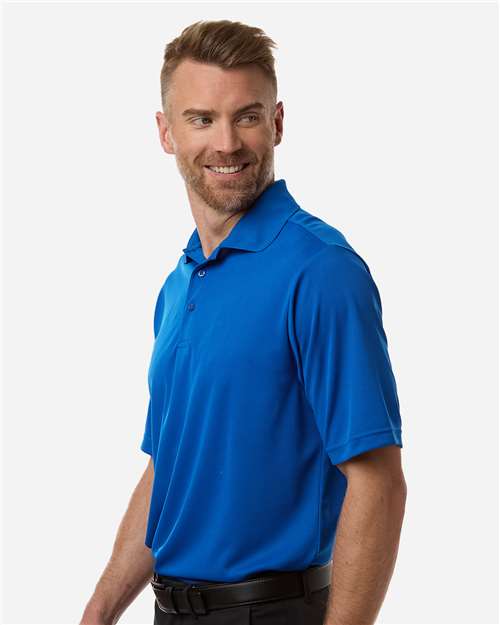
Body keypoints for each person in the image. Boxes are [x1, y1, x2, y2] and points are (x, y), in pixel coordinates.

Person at [80, 19, 407, 625]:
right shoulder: (179, 284)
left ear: (277, 122)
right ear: (166, 132)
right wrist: (98, 612)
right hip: (171, 611)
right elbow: (170, 468)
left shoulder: (320, 270)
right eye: (202, 119)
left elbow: (378, 483)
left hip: (272, 611)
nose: (226, 143)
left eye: (247, 116)